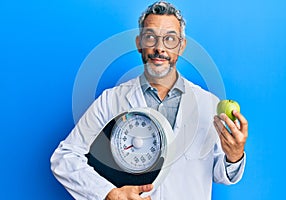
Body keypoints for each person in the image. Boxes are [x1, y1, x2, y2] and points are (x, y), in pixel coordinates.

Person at [50, 1, 248, 200]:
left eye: (170, 39)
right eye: (150, 37)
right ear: (139, 43)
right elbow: (64, 157)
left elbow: (221, 174)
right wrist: (108, 194)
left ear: (182, 46)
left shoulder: (208, 104)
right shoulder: (111, 100)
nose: (159, 48)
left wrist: (234, 155)